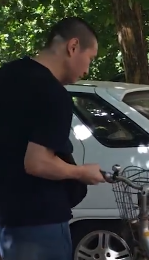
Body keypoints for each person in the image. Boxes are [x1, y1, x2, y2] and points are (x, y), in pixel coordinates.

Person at [0, 17, 106, 260]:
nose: (87, 69)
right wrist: (82, 173)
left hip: (7, 221)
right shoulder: (53, 93)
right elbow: (37, 163)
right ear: (73, 46)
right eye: (90, 58)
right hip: (39, 222)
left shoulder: (6, 75)